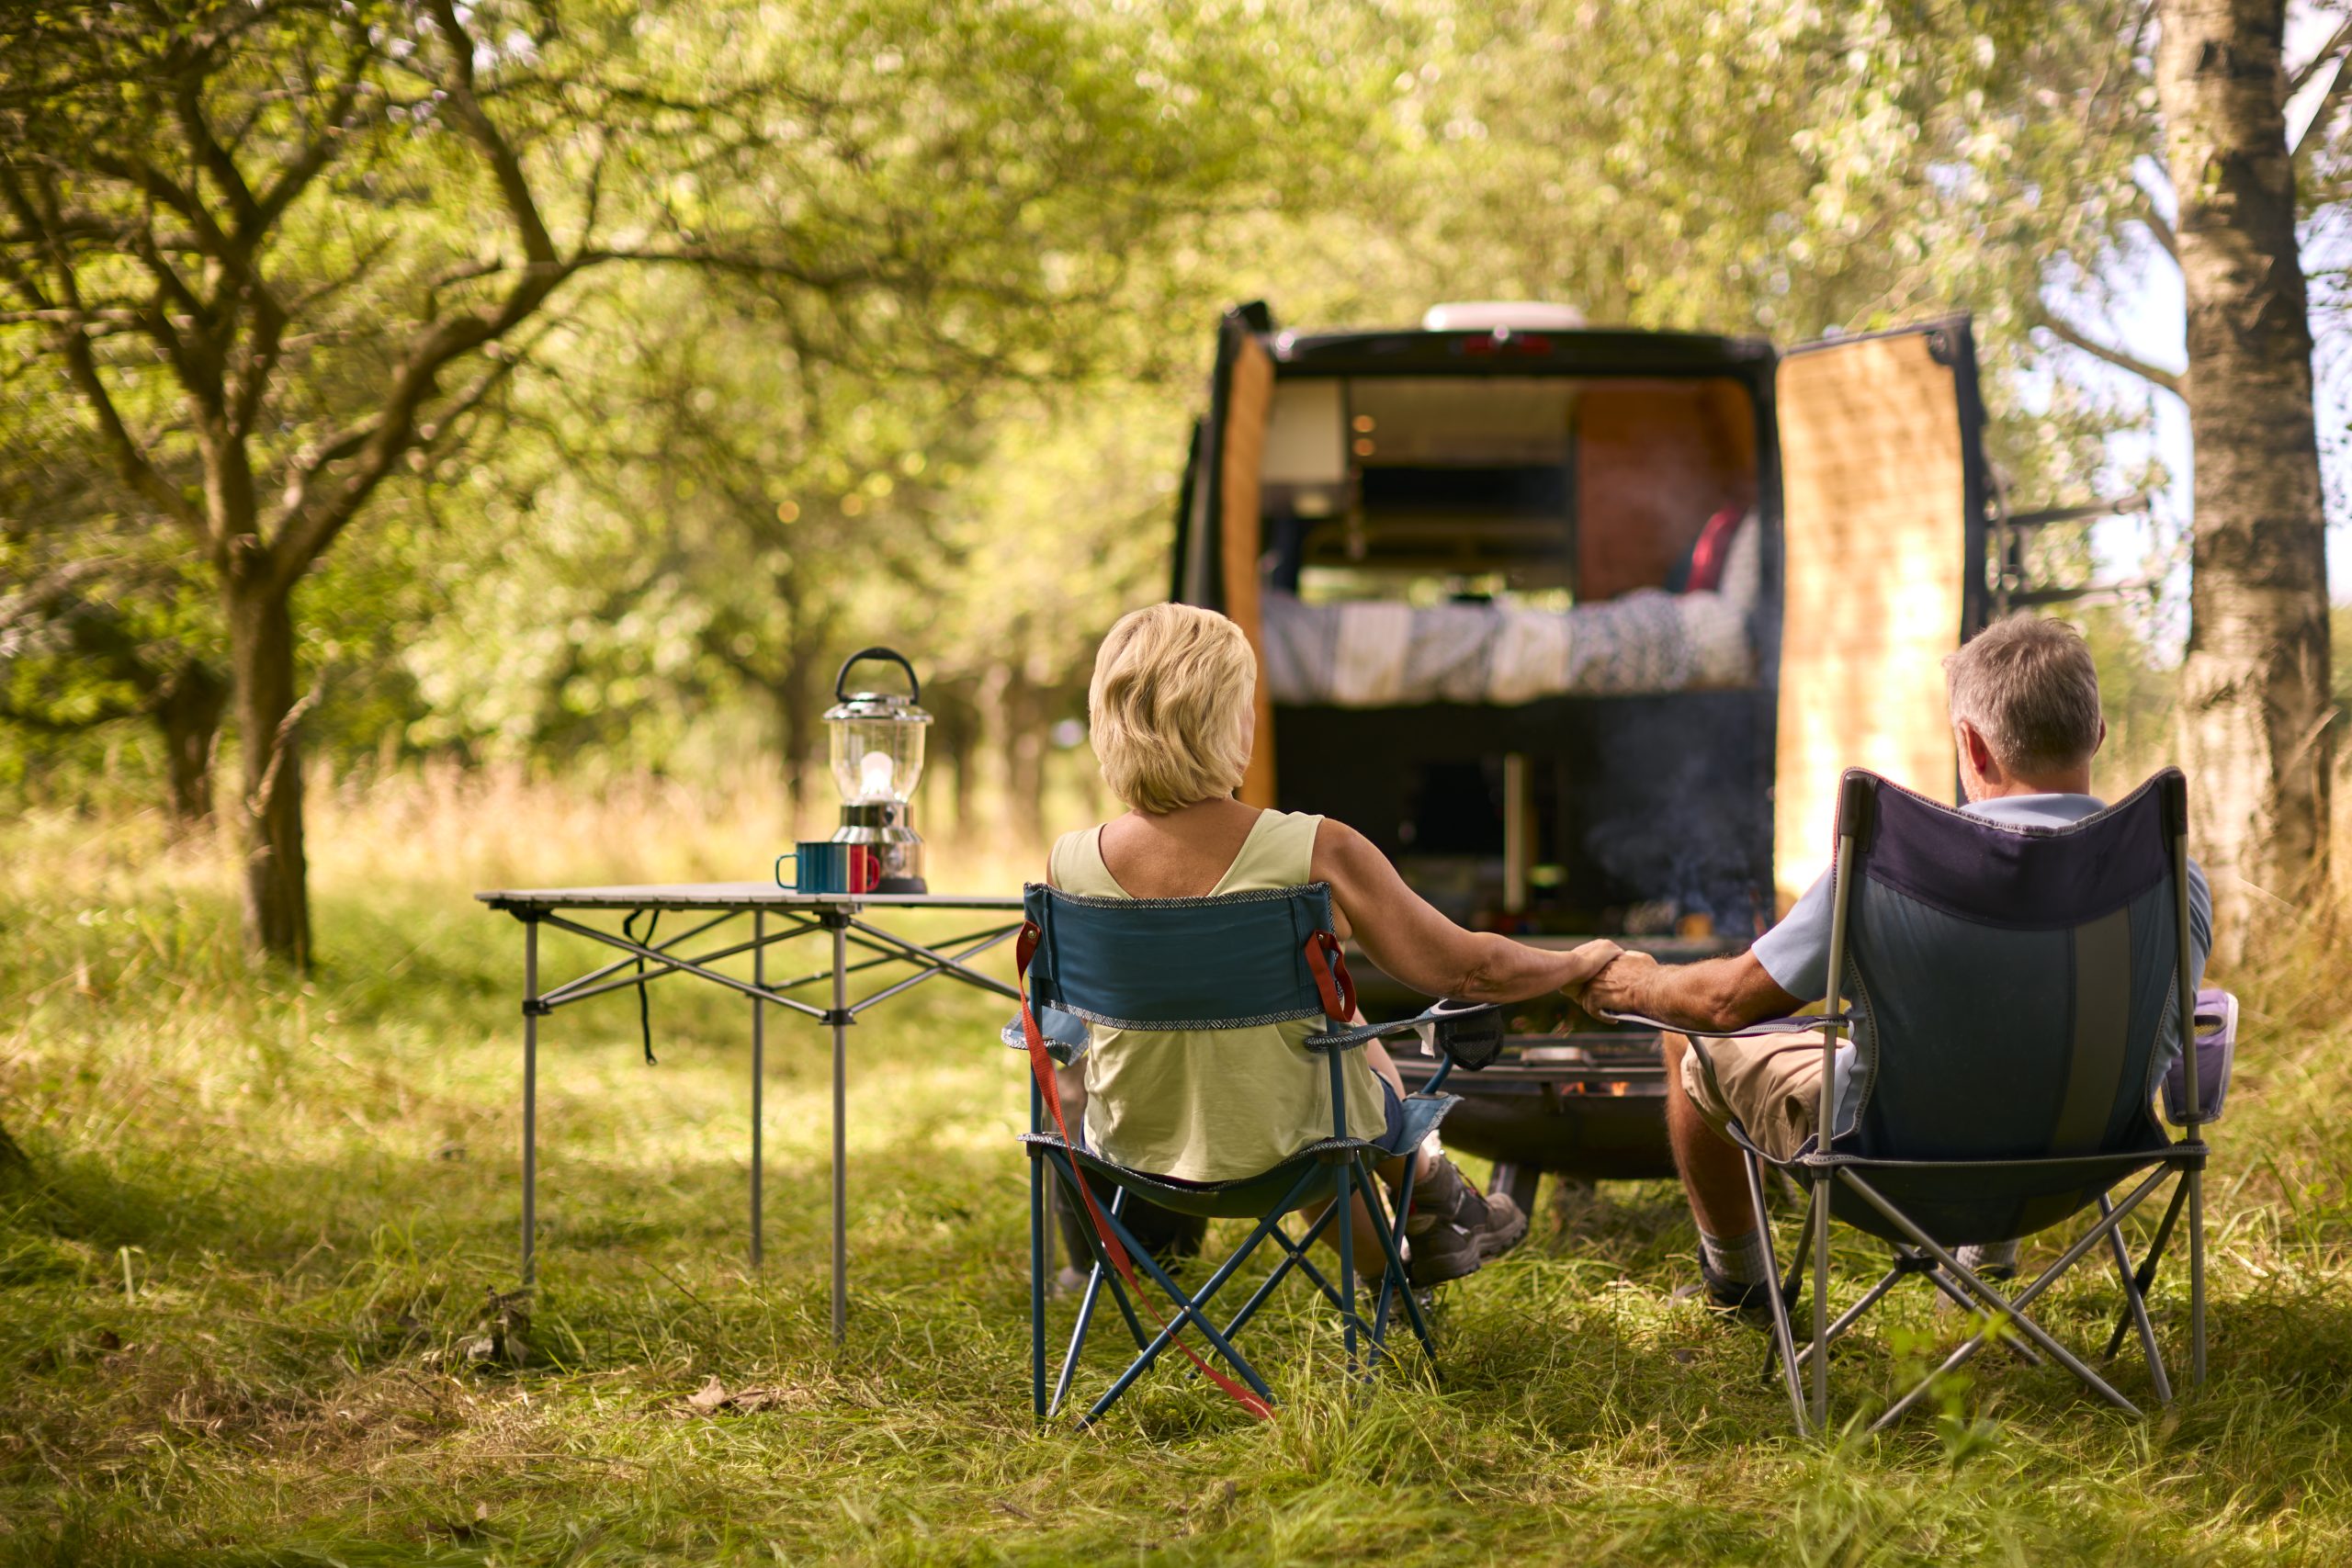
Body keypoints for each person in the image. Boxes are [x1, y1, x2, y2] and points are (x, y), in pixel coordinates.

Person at [1572, 614, 2213, 1323]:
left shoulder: (1900, 867)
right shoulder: (2172, 876)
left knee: (1685, 1038)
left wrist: (1638, 982)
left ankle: (1738, 1285)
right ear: (2095, 734)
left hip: (1884, 1163)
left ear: (1971, 743)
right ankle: (1983, 1262)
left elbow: (1724, 1005)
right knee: (2029, 1035)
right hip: (2087, 1163)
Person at [1051, 603, 1620, 1286]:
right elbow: (1471, 969)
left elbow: (1063, 1030)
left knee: (1305, 1042)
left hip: (1132, 1150)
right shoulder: (1317, 848)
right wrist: (1578, 962)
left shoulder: (1070, 864)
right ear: (1230, 718)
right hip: (1299, 1148)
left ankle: (1410, 1248)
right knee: (1322, 1056)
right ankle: (1428, 1211)